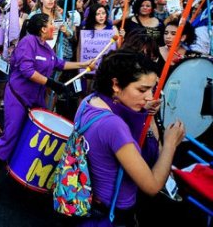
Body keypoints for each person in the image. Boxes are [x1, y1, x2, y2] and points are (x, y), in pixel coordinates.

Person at [0, 13, 93, 201]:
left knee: (31, 136)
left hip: (36, 100)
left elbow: (59, 63)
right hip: (18, 98)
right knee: (11, 136)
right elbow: (27, 71)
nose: (54, 26)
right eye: (51, 24)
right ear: (43, 28)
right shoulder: (28, 42)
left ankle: (18, 168)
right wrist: (53, 84)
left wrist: (83, 64)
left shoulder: (47, 48)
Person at [72, 50, 185, 226]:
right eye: (142, 89)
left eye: (152, 89)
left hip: (90, 199)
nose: (149, 96)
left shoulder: (89, 101)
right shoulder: (113, 127)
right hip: (115, 211)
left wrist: (142, 107)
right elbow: (152, 186)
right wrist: (170, 144)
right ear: (116, 84)